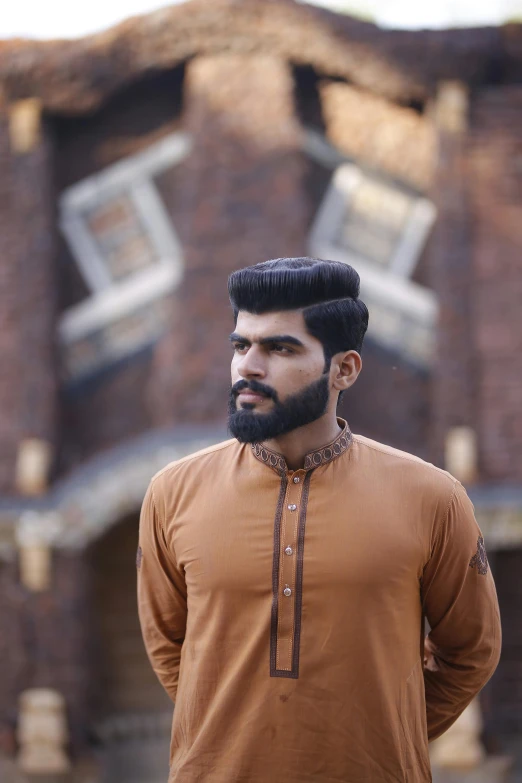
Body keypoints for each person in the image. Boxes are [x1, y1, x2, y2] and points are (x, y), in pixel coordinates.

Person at [137, 257, 501, 782]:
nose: (248, 368)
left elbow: (471, 650)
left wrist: (379, 733)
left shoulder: (432, 497)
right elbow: (169, 644)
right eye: (241, 346)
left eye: (279, 348)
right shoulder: (173, 492)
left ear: (344, 368)